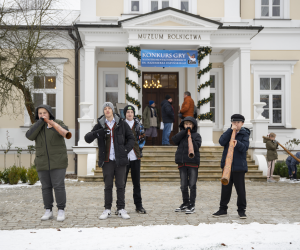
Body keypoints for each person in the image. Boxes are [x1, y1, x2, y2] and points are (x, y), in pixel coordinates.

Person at [84, 102, 135, 220]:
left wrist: (125, 150)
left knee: (121, 185)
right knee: (108, 186)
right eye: (105, 109)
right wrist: (98, 133)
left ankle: (121, 208)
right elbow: (87, 138)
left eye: (109, 108)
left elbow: (131, 138)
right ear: (103, 112)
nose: (107, 110)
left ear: (113, 110)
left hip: (120, 160)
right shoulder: (100, 125)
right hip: (107, 160)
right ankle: (107, 209)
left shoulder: (121, 123)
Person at [26, 104, 68, 222]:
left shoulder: (58, 122)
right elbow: (29, 136)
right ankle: (48, 210)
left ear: (49, 113)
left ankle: (61, 210)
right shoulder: (36, 126)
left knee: (58, 186)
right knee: (45, 187)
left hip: (58, 161)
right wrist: (39, 123)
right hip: (42, 161)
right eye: (40, 113)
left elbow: (66, 132)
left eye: (44, 113)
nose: (42, 115)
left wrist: (52, 125)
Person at [212, 114, 250, 219]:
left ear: (242, 123)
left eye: (238, 122)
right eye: (234, 122)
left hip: (239, 167)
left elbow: (245, 148)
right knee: (225, 189)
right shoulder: (228, 132)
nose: (236, 124)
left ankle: (241, 211)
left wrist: (237, 143)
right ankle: (222, 209)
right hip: (227, 167)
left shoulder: (244, 134)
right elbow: (221, 142)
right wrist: (230, 130)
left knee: (240, 190)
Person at [172, 117, 202, 214]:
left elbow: (197, 147)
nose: (188, 126)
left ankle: (191, 204)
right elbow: (174, 140)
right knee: (183, 185)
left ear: (193, 125)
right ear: (183, 125)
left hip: (193, 163)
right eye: (186, 124)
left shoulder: (197, 135)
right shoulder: (181, 135)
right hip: (182, 163)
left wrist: (190, 138)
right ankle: (185, 203)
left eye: (190, 124)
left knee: (192, 185)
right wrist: (184, 132)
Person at [122, 105, 147, 214]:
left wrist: (138, 149)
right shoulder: (121, 125)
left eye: (131, 112)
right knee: (121, 184)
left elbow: (142, 139)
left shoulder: (139, 125)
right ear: (125, 114)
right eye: (128, 112)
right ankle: (120, 206)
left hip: (135, 157)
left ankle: (139, 206)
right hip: (124, 158)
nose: (130, 114)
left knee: (136, 183)